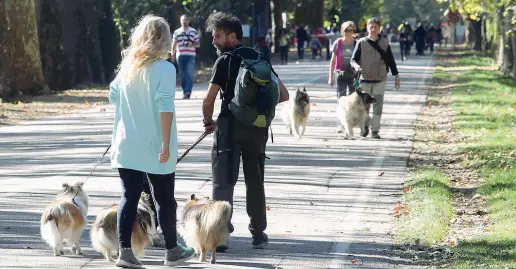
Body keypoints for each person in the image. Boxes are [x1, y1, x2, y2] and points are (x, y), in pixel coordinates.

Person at [108, 15, 195, 268]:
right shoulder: (165, 68)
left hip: (126, 143)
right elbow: (164, 105)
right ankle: (172, 250)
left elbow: (113, 97)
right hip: (155, 144)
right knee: (165, 198)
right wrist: (166, 144)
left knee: (129, 196)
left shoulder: (127, 67)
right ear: (166, 39)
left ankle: (125, 253)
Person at [202, 12, 289, 252]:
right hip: (257, 129)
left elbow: (208, 100)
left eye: (217, 36)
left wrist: (208, 122)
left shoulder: (225, 60)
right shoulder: (259, 58)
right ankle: (259, 233)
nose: (214, 42)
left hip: (228, 127)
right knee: (255, 180)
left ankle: (220, 235)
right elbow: (283, 94)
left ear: (232, 36)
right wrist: (255, 109)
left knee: (223, 182)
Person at [351, 17, 401, 139]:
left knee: (378, 105)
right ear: (367, 28)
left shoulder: (384, 42)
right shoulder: (361, 42)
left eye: (375, 27)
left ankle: (375, 130)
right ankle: (365, 126)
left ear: (379, 28)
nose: (373, 29)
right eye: (371, 27)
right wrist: (357, 66)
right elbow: (353, 59)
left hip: (380, 79)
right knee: (363, 106)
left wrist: (396, 76)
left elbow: (390, 61)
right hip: (364, 79)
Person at [171, 14, 200, 99]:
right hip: (180, 55)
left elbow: (198, 44)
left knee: (189, 74)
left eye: (186, 20)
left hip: (191, 55)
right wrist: (172, 55)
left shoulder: (193, 31)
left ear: (188, 21)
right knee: (182, 74)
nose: (184, 21)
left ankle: (188, 91)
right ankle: (185, 91)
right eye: (183, 20)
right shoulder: (177, 32)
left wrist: (191, 44)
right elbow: (174, 44)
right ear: (180, 21)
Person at [329, 21, 357, 98]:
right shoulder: (338, 43)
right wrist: (331, 78)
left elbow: (360, 60)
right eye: (346, 30)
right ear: (342, 31)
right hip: (341, 74)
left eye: (350, 31)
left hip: (353, 75)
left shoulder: (356, 43)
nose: (348, 33)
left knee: (353, 98)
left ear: (353, 31)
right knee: (341, 97)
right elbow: (333, 61)